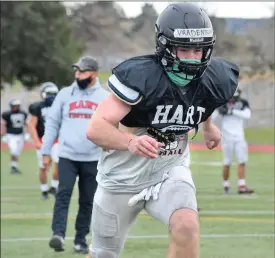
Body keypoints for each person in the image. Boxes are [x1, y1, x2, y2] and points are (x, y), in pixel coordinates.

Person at [86, 3, 240, 258]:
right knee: (103, 254)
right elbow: (95, 128)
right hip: (122, 178)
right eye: (184, 49)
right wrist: (130, 142)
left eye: (198, 50)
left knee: (187, 225)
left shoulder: (214, 78)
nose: (193, 57)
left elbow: (204, 100)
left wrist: (209, 126)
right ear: (165, 46)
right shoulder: (143, 77)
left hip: (169, 170)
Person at [40, 56, 109, 254]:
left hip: (94, 157)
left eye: (83, 71)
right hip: (68, 155)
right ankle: (58, 235)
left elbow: (112, 125)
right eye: (76, 71)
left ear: (94, 74)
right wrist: (45, 152)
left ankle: (80, 239)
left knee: (87, 200)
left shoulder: (103, 97)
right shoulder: (64, 94)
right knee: (63, 195)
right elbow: (52, 123)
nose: (78, 75)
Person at [212, 88, 254, 194]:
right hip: (227, 137)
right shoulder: (222, 103)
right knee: (227, 162)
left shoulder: (243, 103)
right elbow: (212, 118)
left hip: (239, 136)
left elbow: (247, 115)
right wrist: (217, 110)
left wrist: (232, 111)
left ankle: (241, 185)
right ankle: (226, 185)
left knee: (242, 160)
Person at [28, 82, 60, 199]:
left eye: (53, 94)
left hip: (57, 139)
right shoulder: (37, 107)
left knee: (59, 164)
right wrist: (36, 141)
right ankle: (44, 190)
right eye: (49, 94)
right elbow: (32, 125)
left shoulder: (61, 105)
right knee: (44, 166)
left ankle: (54, 187)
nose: (51, 96)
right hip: (43, 139)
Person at [1, 99, 28, 174]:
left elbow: (26, 123)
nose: (16, 107)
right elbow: (3, 124)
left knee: (17, 152)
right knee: (14, 150)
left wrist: (27, 133)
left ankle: (14, 167)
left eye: (17, 106)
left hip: (20, 135)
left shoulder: (23, 113)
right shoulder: (7, 114)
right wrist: (2, 134)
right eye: (14, 106)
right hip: (11, 135)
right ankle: (13, 167)